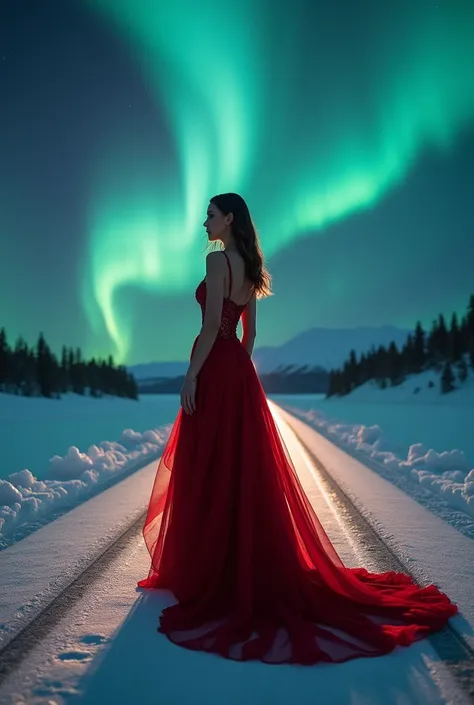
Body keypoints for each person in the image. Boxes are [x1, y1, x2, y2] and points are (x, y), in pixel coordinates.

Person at [137, 192, 458, 665]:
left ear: (229, 219)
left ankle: (209, 569)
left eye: (210, 215)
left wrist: (194, 375)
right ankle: (231, 563)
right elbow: (249, 337)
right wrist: (235, 377)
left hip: (215, 368)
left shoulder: (218, 261)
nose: (204, 223)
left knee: (208, 462)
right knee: (239, 465)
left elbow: (210, 330)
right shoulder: (250, 265)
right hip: (238, 375)